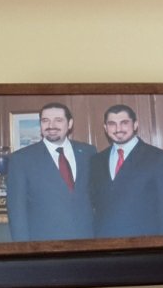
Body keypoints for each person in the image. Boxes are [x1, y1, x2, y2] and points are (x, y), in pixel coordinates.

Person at [6, 102, 96, 241]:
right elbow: (17, 212)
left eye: (58, 120)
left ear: (70, 124)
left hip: (86, 240)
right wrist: (23, 248)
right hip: (44, 243)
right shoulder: (21, 159)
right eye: (45, 120)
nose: (51, 125)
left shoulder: (88, 152)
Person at [90, 104, 163, 238]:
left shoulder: (160, 158)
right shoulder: (96, 160)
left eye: (124, 123)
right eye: (112, 124)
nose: (118, 129)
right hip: (104, 242)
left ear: (135, 125)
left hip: (144, 243)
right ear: (105, 128)